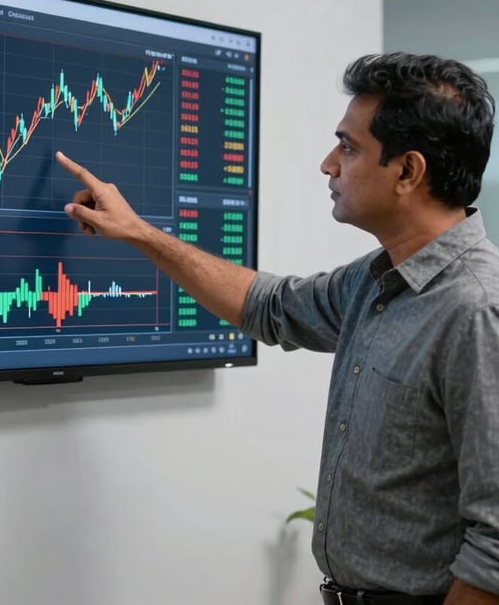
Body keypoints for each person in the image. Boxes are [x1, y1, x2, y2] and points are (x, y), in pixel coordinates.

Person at [55, 52, 499, 605]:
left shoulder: (476, 310)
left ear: (408, 172)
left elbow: (495, 545)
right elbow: (269, 305)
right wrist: (142, 234)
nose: (328, 164)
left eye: (349, 147)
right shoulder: (376, 279)